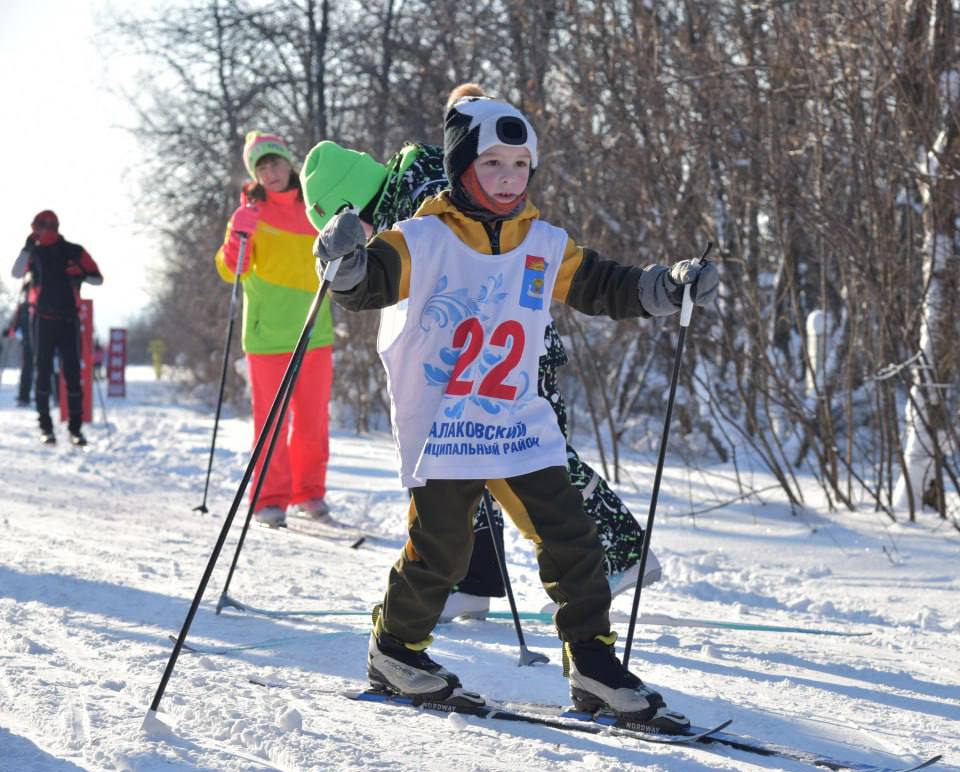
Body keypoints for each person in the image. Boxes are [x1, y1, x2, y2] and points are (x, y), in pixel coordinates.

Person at [313, 90, 718, 729]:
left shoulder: (544, 242)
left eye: (520, 166)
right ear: (462, 168)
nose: (508, 179)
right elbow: (370, 284)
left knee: (573, 537)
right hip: (446, 420)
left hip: (515, 420)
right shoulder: (423, 237)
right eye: (493, 164)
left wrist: (664, 288)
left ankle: (592, 663)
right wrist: (342, 267)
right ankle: (394, 650)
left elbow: (602, 285)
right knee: (440, 549)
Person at [299, 86, 660, 623]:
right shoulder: (408, 183)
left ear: (350, 205)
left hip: (506, 349)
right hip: (477, 354)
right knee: (474, 464)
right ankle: (474, 579)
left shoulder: (416, 190)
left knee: (533, 461)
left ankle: (616, 553)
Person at [214, 131, 334, 528]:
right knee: (271, 422)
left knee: (313, 422)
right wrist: (238, 235)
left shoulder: (316, 208)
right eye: (261, 166)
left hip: (314, 331)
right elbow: (233, 270)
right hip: (266, 337)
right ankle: (269, 497)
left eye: (276, 162)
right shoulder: (249, 215)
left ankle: (310, 492)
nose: (270, 171)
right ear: (255, 173)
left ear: (289, 163)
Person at [10, 211, 101, 444]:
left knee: (71, 373)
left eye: (36, 228)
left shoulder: (73, 251)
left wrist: (80, 272)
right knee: (43, 373)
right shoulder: (34, 252)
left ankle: (74, 429)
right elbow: (16, 273)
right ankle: (47, 428)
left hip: (67, 319)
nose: (35, 233)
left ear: (48, 227)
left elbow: (97, 278)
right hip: (42, 319)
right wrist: (27, 247)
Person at [5, 273, 36, 406]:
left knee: (45, 368)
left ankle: (49, 395)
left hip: (42, 341)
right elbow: (15, 324)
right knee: (27, 369)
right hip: (28, 342)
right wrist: (10, 331)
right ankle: (24, 396)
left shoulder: (41, 306)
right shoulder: (23, 307)